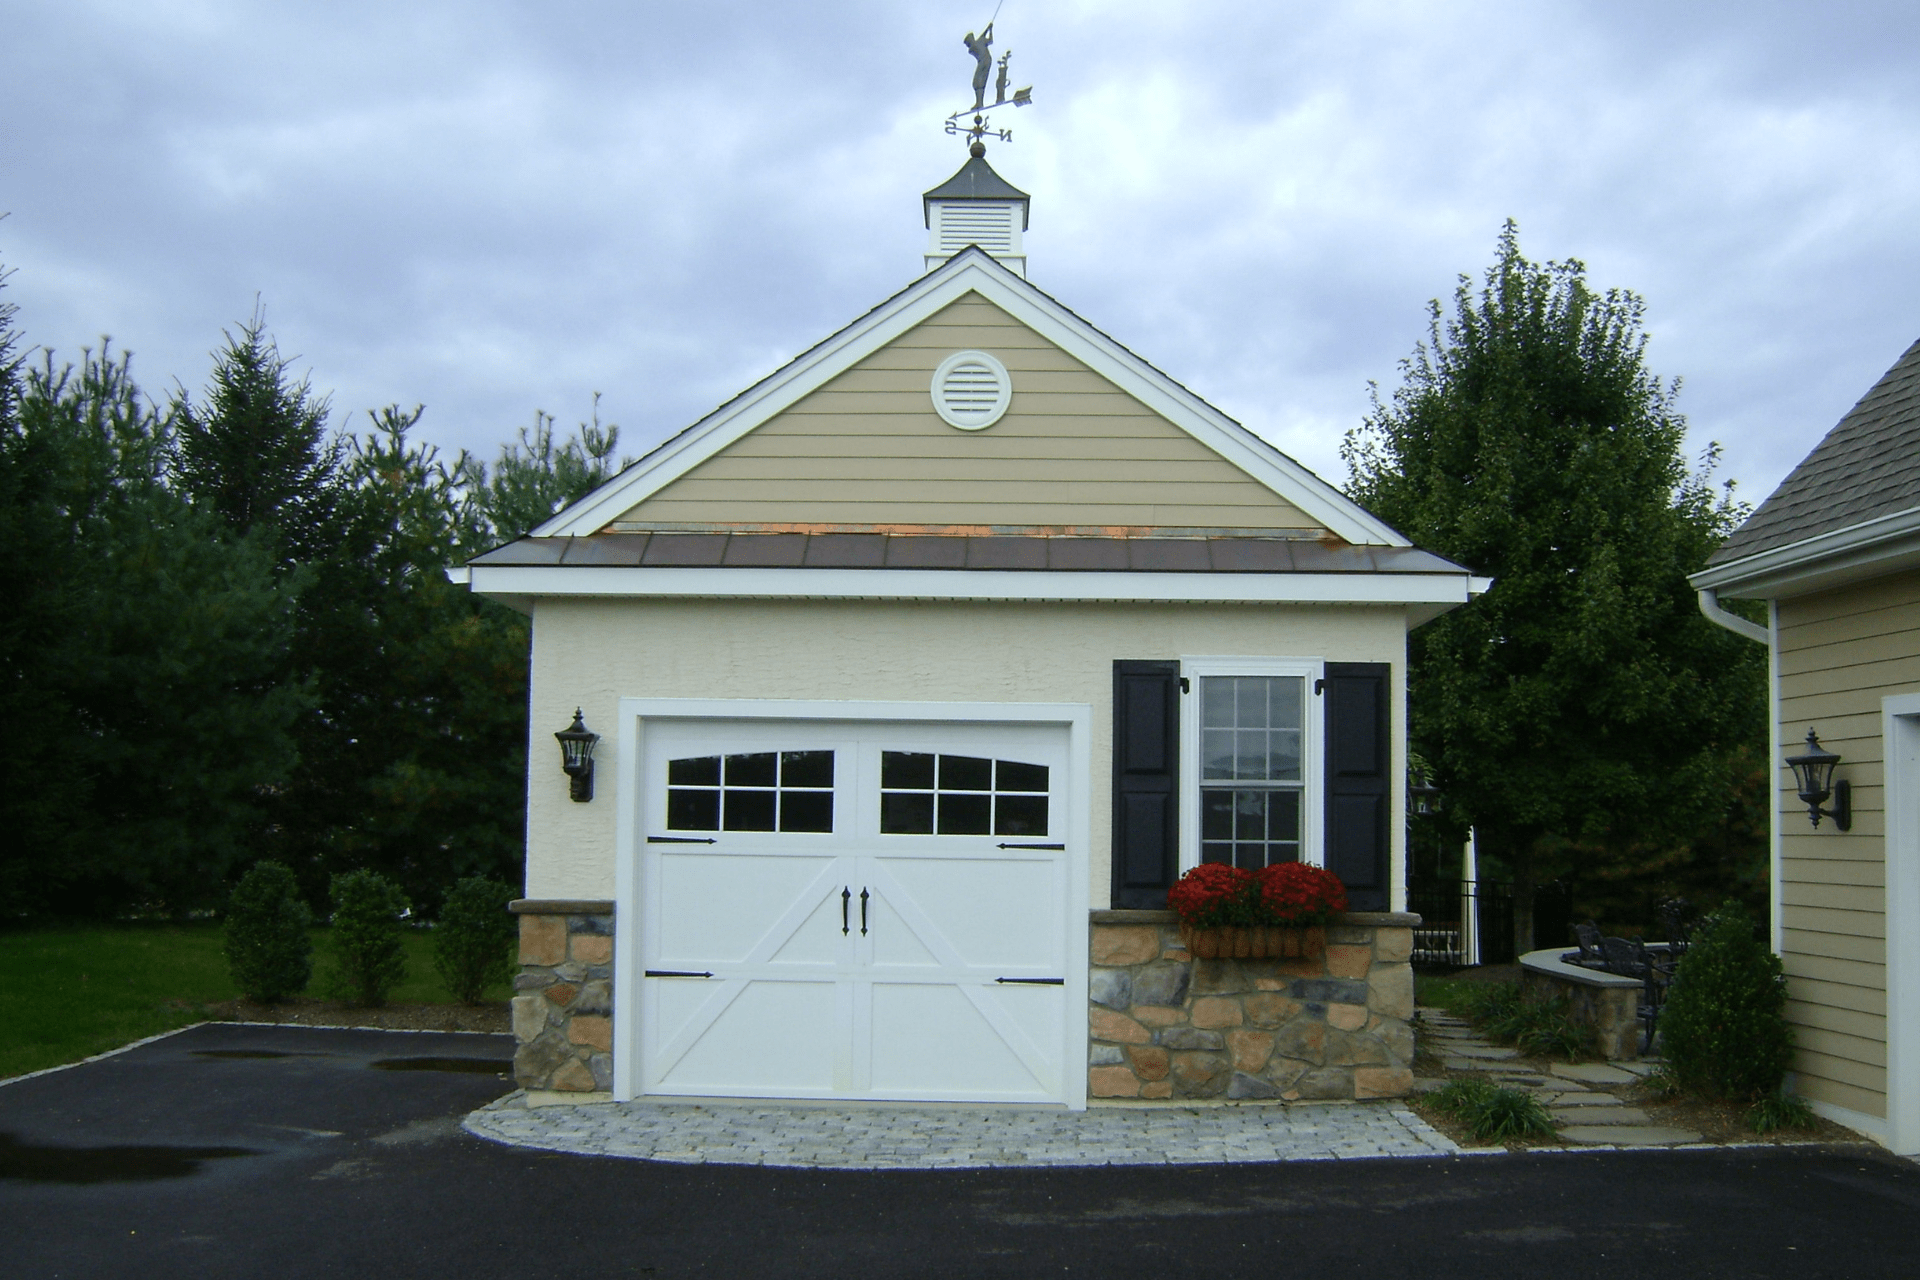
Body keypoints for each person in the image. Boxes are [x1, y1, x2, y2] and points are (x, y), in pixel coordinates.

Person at [964, 24, 994, 111]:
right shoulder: (973, 47)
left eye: (968, 43)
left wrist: (988, 29)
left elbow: (983, 38)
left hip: (984, 62)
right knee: (977, 83)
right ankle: (979, 102)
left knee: (978, 82)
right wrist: (989, 30)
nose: (968, 45)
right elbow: (987, 39)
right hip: (985, 61)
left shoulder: (975, 45)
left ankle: (979, 103)